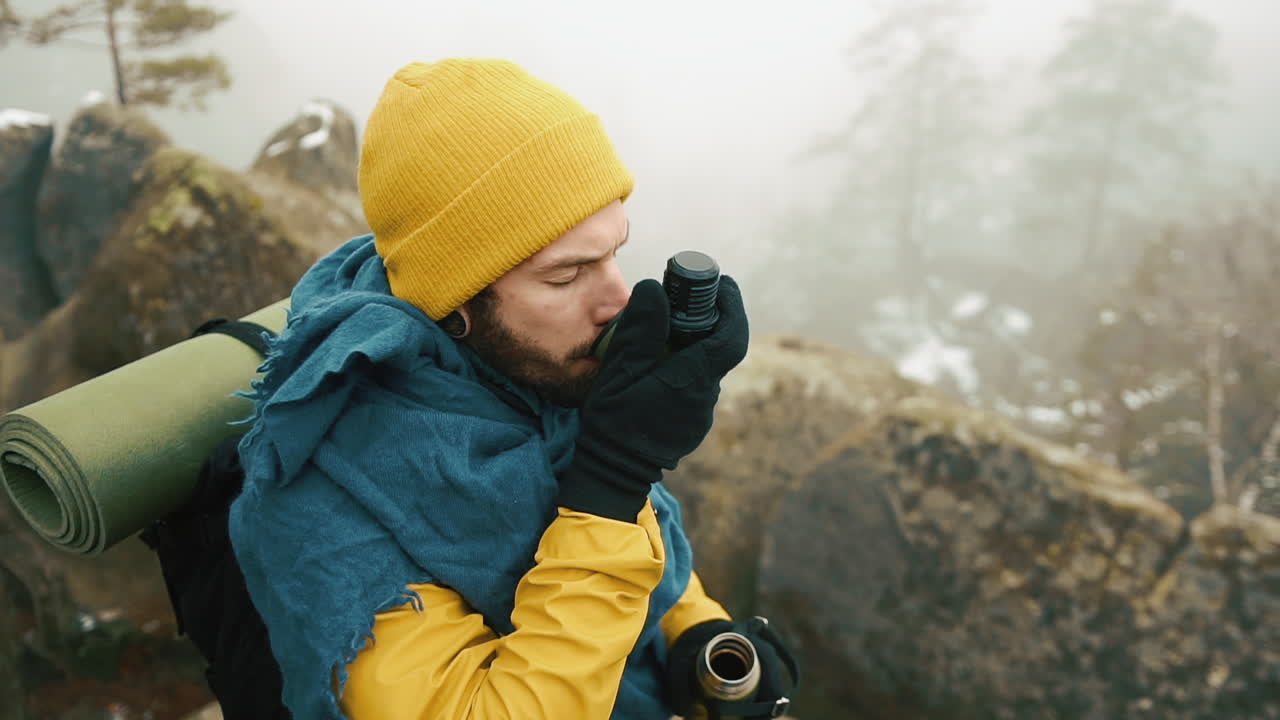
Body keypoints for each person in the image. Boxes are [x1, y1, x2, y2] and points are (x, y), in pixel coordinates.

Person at [228, 58, 796, 719]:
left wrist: (693, 629)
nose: (619, 298)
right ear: (454, 305)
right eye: (567, 276)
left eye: (614, 252)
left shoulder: (532, 371)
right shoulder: (323, 502)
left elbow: (642, 542)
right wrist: (612, 477)